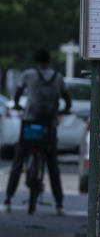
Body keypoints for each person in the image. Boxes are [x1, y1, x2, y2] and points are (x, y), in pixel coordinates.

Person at [3, 50, 70, 215]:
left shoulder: (29, 74)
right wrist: (64, 110)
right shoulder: (58, 77)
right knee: (53, 166)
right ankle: (59, 205)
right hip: (49, 125)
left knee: (18, 162)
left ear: (35, 60)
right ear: (49, 61)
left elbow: (18, 95)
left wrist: (18, 105)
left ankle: (8, 200)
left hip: (30, 124)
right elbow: (67, 99)